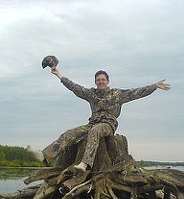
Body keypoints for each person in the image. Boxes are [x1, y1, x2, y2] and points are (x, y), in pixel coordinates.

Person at [28, 67, 170, 171]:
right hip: (92, 122)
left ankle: (85, 164)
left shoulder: (117, 94)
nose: (101, 82)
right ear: (95, 82)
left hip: (108, 124)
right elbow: (75, 88)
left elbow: (136, 92)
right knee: (70, 133)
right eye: (98, 80)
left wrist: (154, 86)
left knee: (95, 131)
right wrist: (59, 75)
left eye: (103, 79)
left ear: (107, 81)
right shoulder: (91, 93)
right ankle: (45, 156)